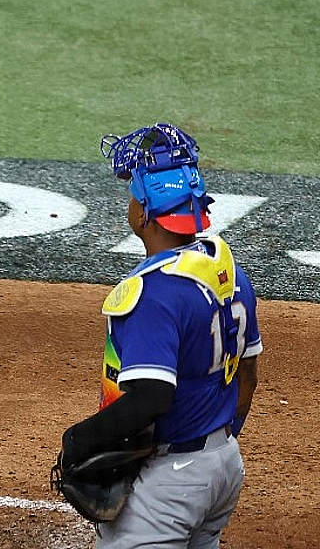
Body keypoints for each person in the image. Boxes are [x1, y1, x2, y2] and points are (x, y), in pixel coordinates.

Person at [60, 122, 262, 548]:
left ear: (144, 211)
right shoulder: (229, 273)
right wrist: (217, 446)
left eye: (132, 192)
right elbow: (248, 374)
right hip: (224, 466)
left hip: (172, 485)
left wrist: (79, 440)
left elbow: (152, 398)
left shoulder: (153, 294)